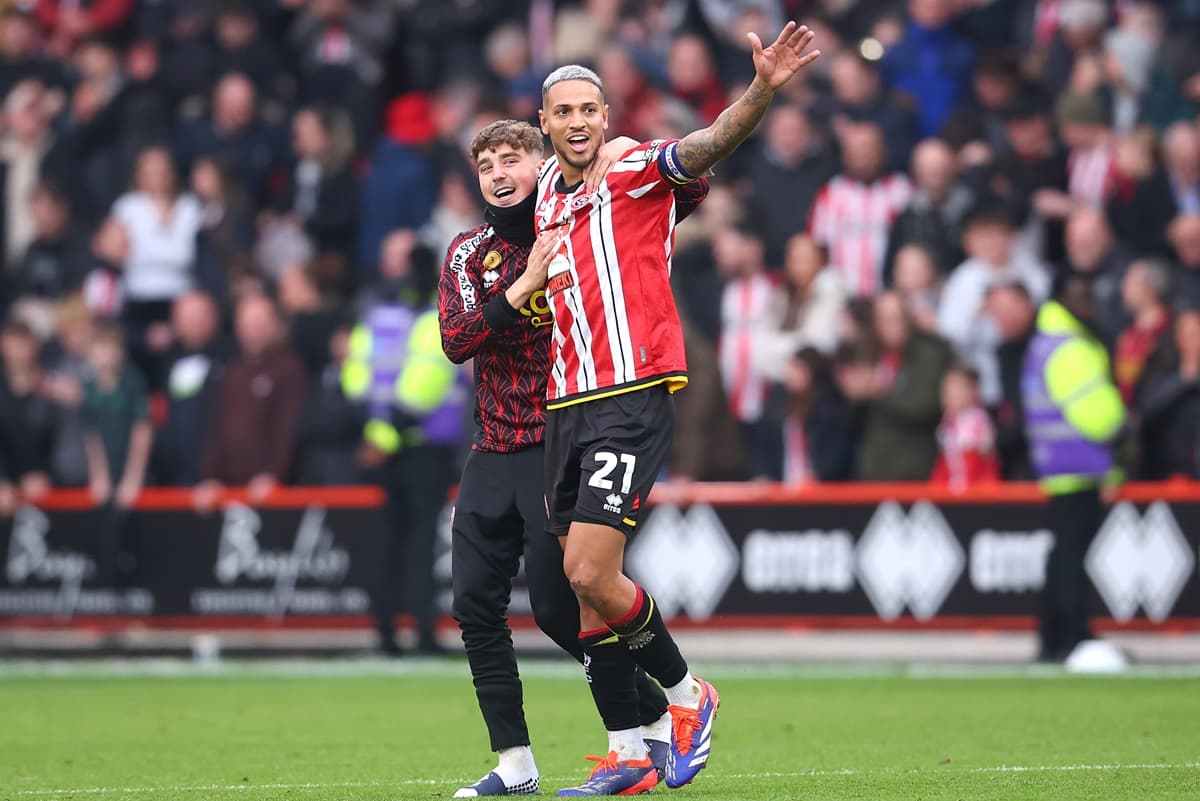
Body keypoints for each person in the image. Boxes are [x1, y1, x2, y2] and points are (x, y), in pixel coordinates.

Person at [533, 21, 819, 795]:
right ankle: (628, 751)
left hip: (628, 394)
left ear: (606, 116)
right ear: (545, 123)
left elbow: (708, 143)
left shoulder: (632, 168)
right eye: (565, 111)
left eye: (590, 108)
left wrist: (760, 90)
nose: (580, 121)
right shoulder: (545, 193)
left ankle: (691, 694)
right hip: (566, 402)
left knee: (591, 569)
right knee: (583, 586)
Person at [440, 119, 706, 798]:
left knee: (564, 609)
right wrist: (525, 283)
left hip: (562, 437)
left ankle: (650, 719)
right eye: (486, 166)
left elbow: (685, 187)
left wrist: (625, 149)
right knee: (473, 605)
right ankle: (516, 764)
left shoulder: (585, 219)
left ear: (542, 164)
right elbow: (456, 338)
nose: (498, 175)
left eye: (511, 160)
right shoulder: (469, 252)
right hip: (492, 446)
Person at [341, 241, 465, 657]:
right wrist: (385, 436)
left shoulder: (374, 317)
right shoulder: (435, 318)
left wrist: (374, 435)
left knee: (389, 541)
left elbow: (356, 379)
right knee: (418, 545)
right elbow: (423, 389)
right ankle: (423, 634)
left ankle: (386, 633)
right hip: (422, 450)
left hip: (382, 445)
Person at [1022, 270, 1126, 662]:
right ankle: (1070, 637)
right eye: (1081, 295)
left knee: (1063, 555)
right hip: (1080, 464)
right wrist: (1123, 425)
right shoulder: (1071, 347)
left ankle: (1054, 638)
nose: (1089, 303)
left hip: (1056, 464)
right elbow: (1097, 413)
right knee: (1071, 558)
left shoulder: (1045, 341)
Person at [82, 321, 152, 586]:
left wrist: (133, 477)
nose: (104, 356)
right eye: (99, 349)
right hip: (107, 469)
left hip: (132, 468)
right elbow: (91, 435)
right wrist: (98, 474)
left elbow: (142, 430)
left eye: (110, 349)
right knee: (104, 531)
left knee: (131, 529)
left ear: (120, 352)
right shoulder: (89, 387)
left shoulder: (132, 382)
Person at [930, 364, 999, 490]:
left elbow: (976, 466)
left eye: (958, 390)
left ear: (973, 392)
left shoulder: (977, 422)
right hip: (954, 490)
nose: (950, 396)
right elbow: (946, 465)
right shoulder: (947, 423)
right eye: (947, 390)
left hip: (975, 491)